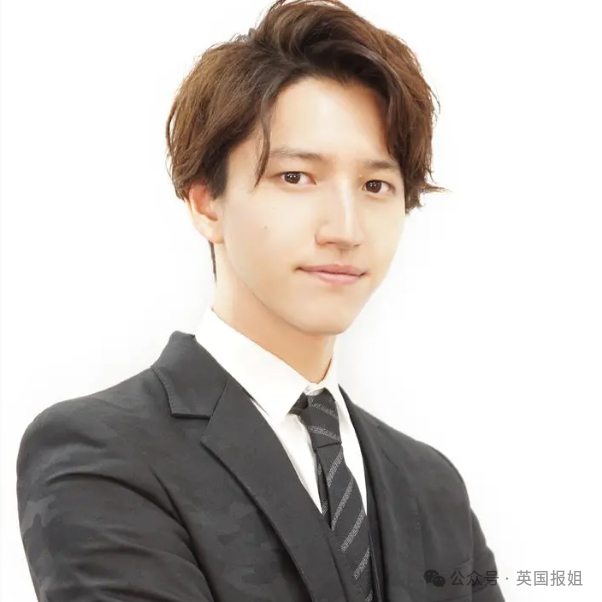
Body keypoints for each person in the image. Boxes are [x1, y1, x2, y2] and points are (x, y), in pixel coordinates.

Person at [16, 1, 505, 600]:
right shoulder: (100, 453)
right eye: (295, 177)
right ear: (205, 201)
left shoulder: (432, 487)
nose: (345, 228)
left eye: (376, 185)